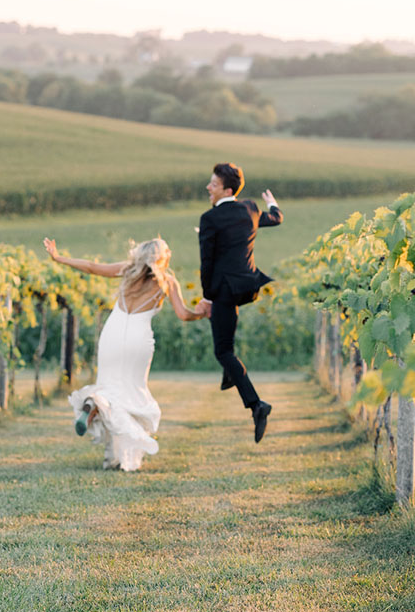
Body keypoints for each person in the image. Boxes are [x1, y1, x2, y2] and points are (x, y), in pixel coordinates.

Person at [43, 236, 207, 471]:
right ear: (163, 257)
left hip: (113, 332)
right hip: (138, 339)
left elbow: (91, 267)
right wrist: (202, 313)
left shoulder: (127, 270)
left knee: (109, 386)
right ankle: (120, 455)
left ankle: (97, 408)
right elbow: (184, 314)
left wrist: (58, 257)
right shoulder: (167, 281)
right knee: (132, 392)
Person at [198, 162, 282, 444]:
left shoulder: (210, 219)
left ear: (226, 189)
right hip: (247, 287)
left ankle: (257, 405)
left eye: (213, 184)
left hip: (222, 290)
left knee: (223, 351)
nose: (208, 187)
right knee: (227, 343)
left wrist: (207, 296)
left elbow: (206, 263)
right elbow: (276, 219)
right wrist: (273, 205)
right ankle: (229, 376)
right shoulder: (250, 208)